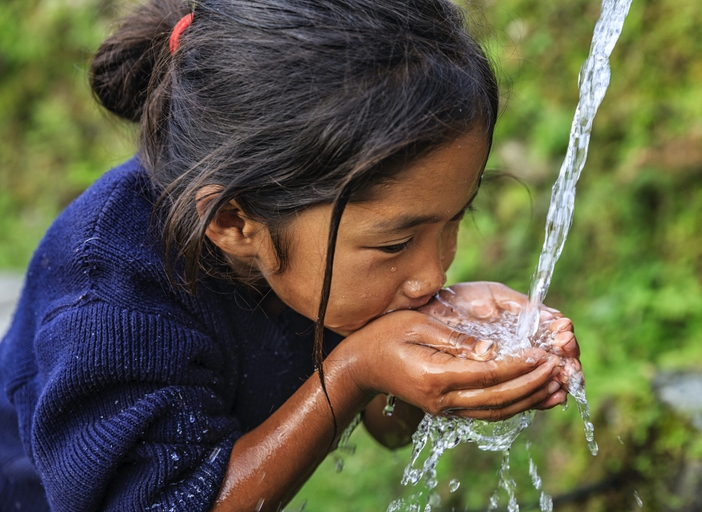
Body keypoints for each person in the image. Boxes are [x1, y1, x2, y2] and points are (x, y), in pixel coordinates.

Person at [0, 0, 583, 510]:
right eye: (395, 243)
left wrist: (436, 342)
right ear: (233, 221)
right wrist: (355, 369)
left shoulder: (317, 243)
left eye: (456, 220)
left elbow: (388, 428)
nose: (434, 273)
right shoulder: (110, 300)